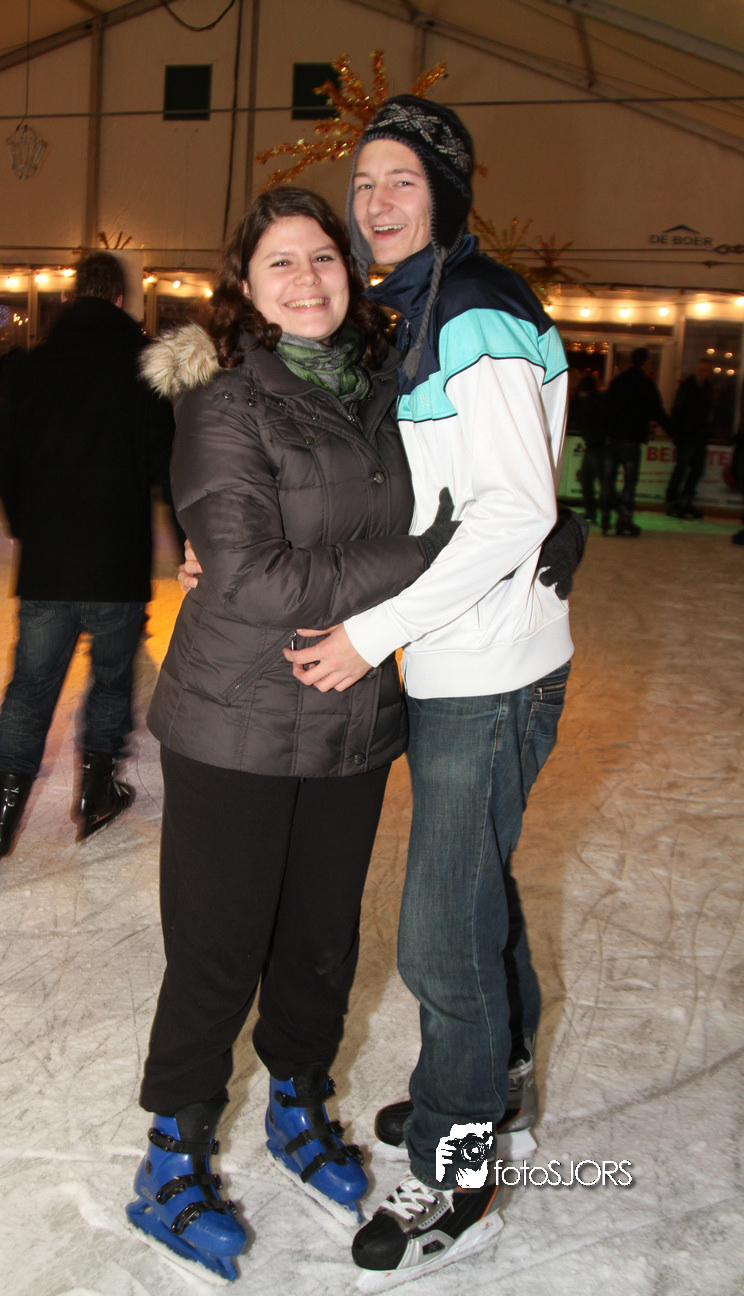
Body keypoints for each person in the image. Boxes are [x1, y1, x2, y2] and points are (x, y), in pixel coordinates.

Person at [126, 186, 459, 1284]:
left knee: (321, 942)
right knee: (220, 948)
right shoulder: (226, 399)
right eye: (281, 261)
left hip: (353, 713)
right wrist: (426, 559)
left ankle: (297, 1103)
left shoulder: (387, 387)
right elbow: (255, 578)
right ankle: (170, 1156)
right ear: (246, 285)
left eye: (323, 256)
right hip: (235, 721)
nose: (307, 278)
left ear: (348, 272)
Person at [282, 96, 578, 1286]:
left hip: (488, 667)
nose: (375, 202)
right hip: (467, 654)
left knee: (440, 932)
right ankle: (493, 1078)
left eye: (401, 179)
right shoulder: (426, 308)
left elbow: (514, 507)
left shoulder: (472, 310)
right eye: (364, 183)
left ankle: (462, 1169)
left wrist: (372, 633)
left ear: (447, 193)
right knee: (471, 888)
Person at [0, 252, 175, 878]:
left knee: (31, 686)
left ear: (71, 296)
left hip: (49, 561)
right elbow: (167, 467)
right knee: (111, 681)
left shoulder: (32, 367)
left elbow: (6, 459)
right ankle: (97, 793)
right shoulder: (145, 368)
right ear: (120, 299)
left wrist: (26, 529)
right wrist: (188, 540)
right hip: (116, 560)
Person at [601, 346, 670, 536]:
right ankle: (624, 517)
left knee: (608, 479)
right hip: (631, 438)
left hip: (612, 436)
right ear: (646, 362)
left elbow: (607, 408)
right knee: (629, 482)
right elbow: (657, 410)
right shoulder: (646, 384)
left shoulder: (618, 381)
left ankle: (605, 515)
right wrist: (675, 433)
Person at [666, 357, 714, 519]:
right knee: (681, 469)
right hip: (687, 436)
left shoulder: (708, 389)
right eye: (700, 369)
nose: (702, 373)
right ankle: (673, 501)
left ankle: (685, 500)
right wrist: (677, 434)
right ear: (695, 370)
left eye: (705, 370)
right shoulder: (687, 388)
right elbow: (677, 412)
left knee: (697, 470)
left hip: (699, 436)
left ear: (709, 372)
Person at [569, 368, 608, 524]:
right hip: (596, 445)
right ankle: (599, 512)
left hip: (595, 446)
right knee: (595, 481)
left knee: (591, 480)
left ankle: (598, 512)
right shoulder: (598, 401)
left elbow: (578, 420)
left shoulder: (588, 403)